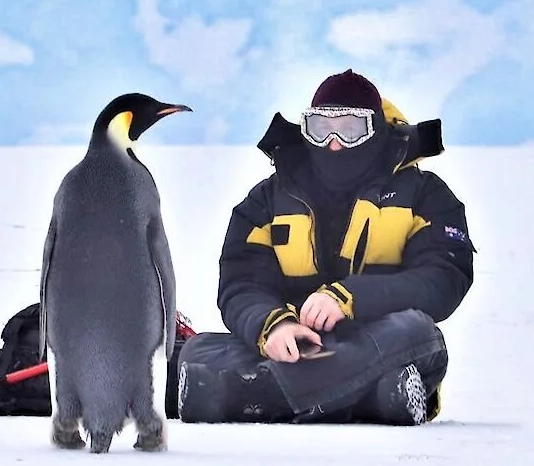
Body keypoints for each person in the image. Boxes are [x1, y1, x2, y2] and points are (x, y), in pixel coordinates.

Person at [175, 69, 477, 426]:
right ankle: (370, 398)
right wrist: (272, 327)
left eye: (351, 129)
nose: (334, 143)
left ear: (376, 131)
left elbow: (443, 278)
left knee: (417, 332)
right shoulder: (266, 200)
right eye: (321, 129)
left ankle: (255, 394)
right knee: (199, 349)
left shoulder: (426, 195)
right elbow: (240, 283)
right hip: (294, 348)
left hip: (378, 340)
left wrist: (349, 298)